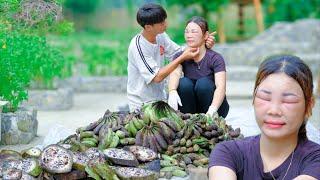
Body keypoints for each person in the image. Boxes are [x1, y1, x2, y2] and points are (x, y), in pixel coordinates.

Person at [208, 55, 320, 180]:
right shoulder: (228, 153)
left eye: (288, 100)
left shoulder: (316, 160)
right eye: (265, 98)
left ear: (309, 106)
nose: (274, 110)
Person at [127, 3, 215, 112]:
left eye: (165, 20)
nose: (166, 24)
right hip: (142, 104)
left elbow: (178, 52)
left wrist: (203, 43)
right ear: (148, 27)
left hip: (160, 100)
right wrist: (182, 57)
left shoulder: (160, 36)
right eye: (161, 23)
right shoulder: (138, 46)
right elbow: (157, 77)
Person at [167, 16, 229, 118]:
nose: (189, 35)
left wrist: (212, 109)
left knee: (203, 83)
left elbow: (221, 87)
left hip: (215, 107)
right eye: (186, 31)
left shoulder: (216, 58)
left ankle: (209, 119)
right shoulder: (180, 56)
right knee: (183, 83)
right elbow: (175, 73)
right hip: (191, 108)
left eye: (194, 32)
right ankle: (188, 120)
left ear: (205, 35)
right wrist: (172, 91)